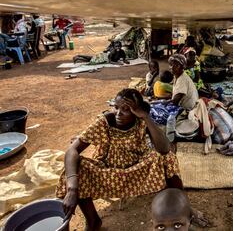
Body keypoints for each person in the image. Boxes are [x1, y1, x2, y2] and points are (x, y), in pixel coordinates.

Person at [56, 88, 182, 231]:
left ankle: (181, 208)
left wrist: (146, 117)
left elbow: (164, 149)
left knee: (169, 158)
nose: (118, 113)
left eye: (126, 109)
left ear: (136, 111)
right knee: (75, 168)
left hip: (137, 171)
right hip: (106, 172)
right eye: (116, 107)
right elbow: (72, 150)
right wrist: (72, 189)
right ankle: (93, 221)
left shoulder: (141, 122)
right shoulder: (105, 122)